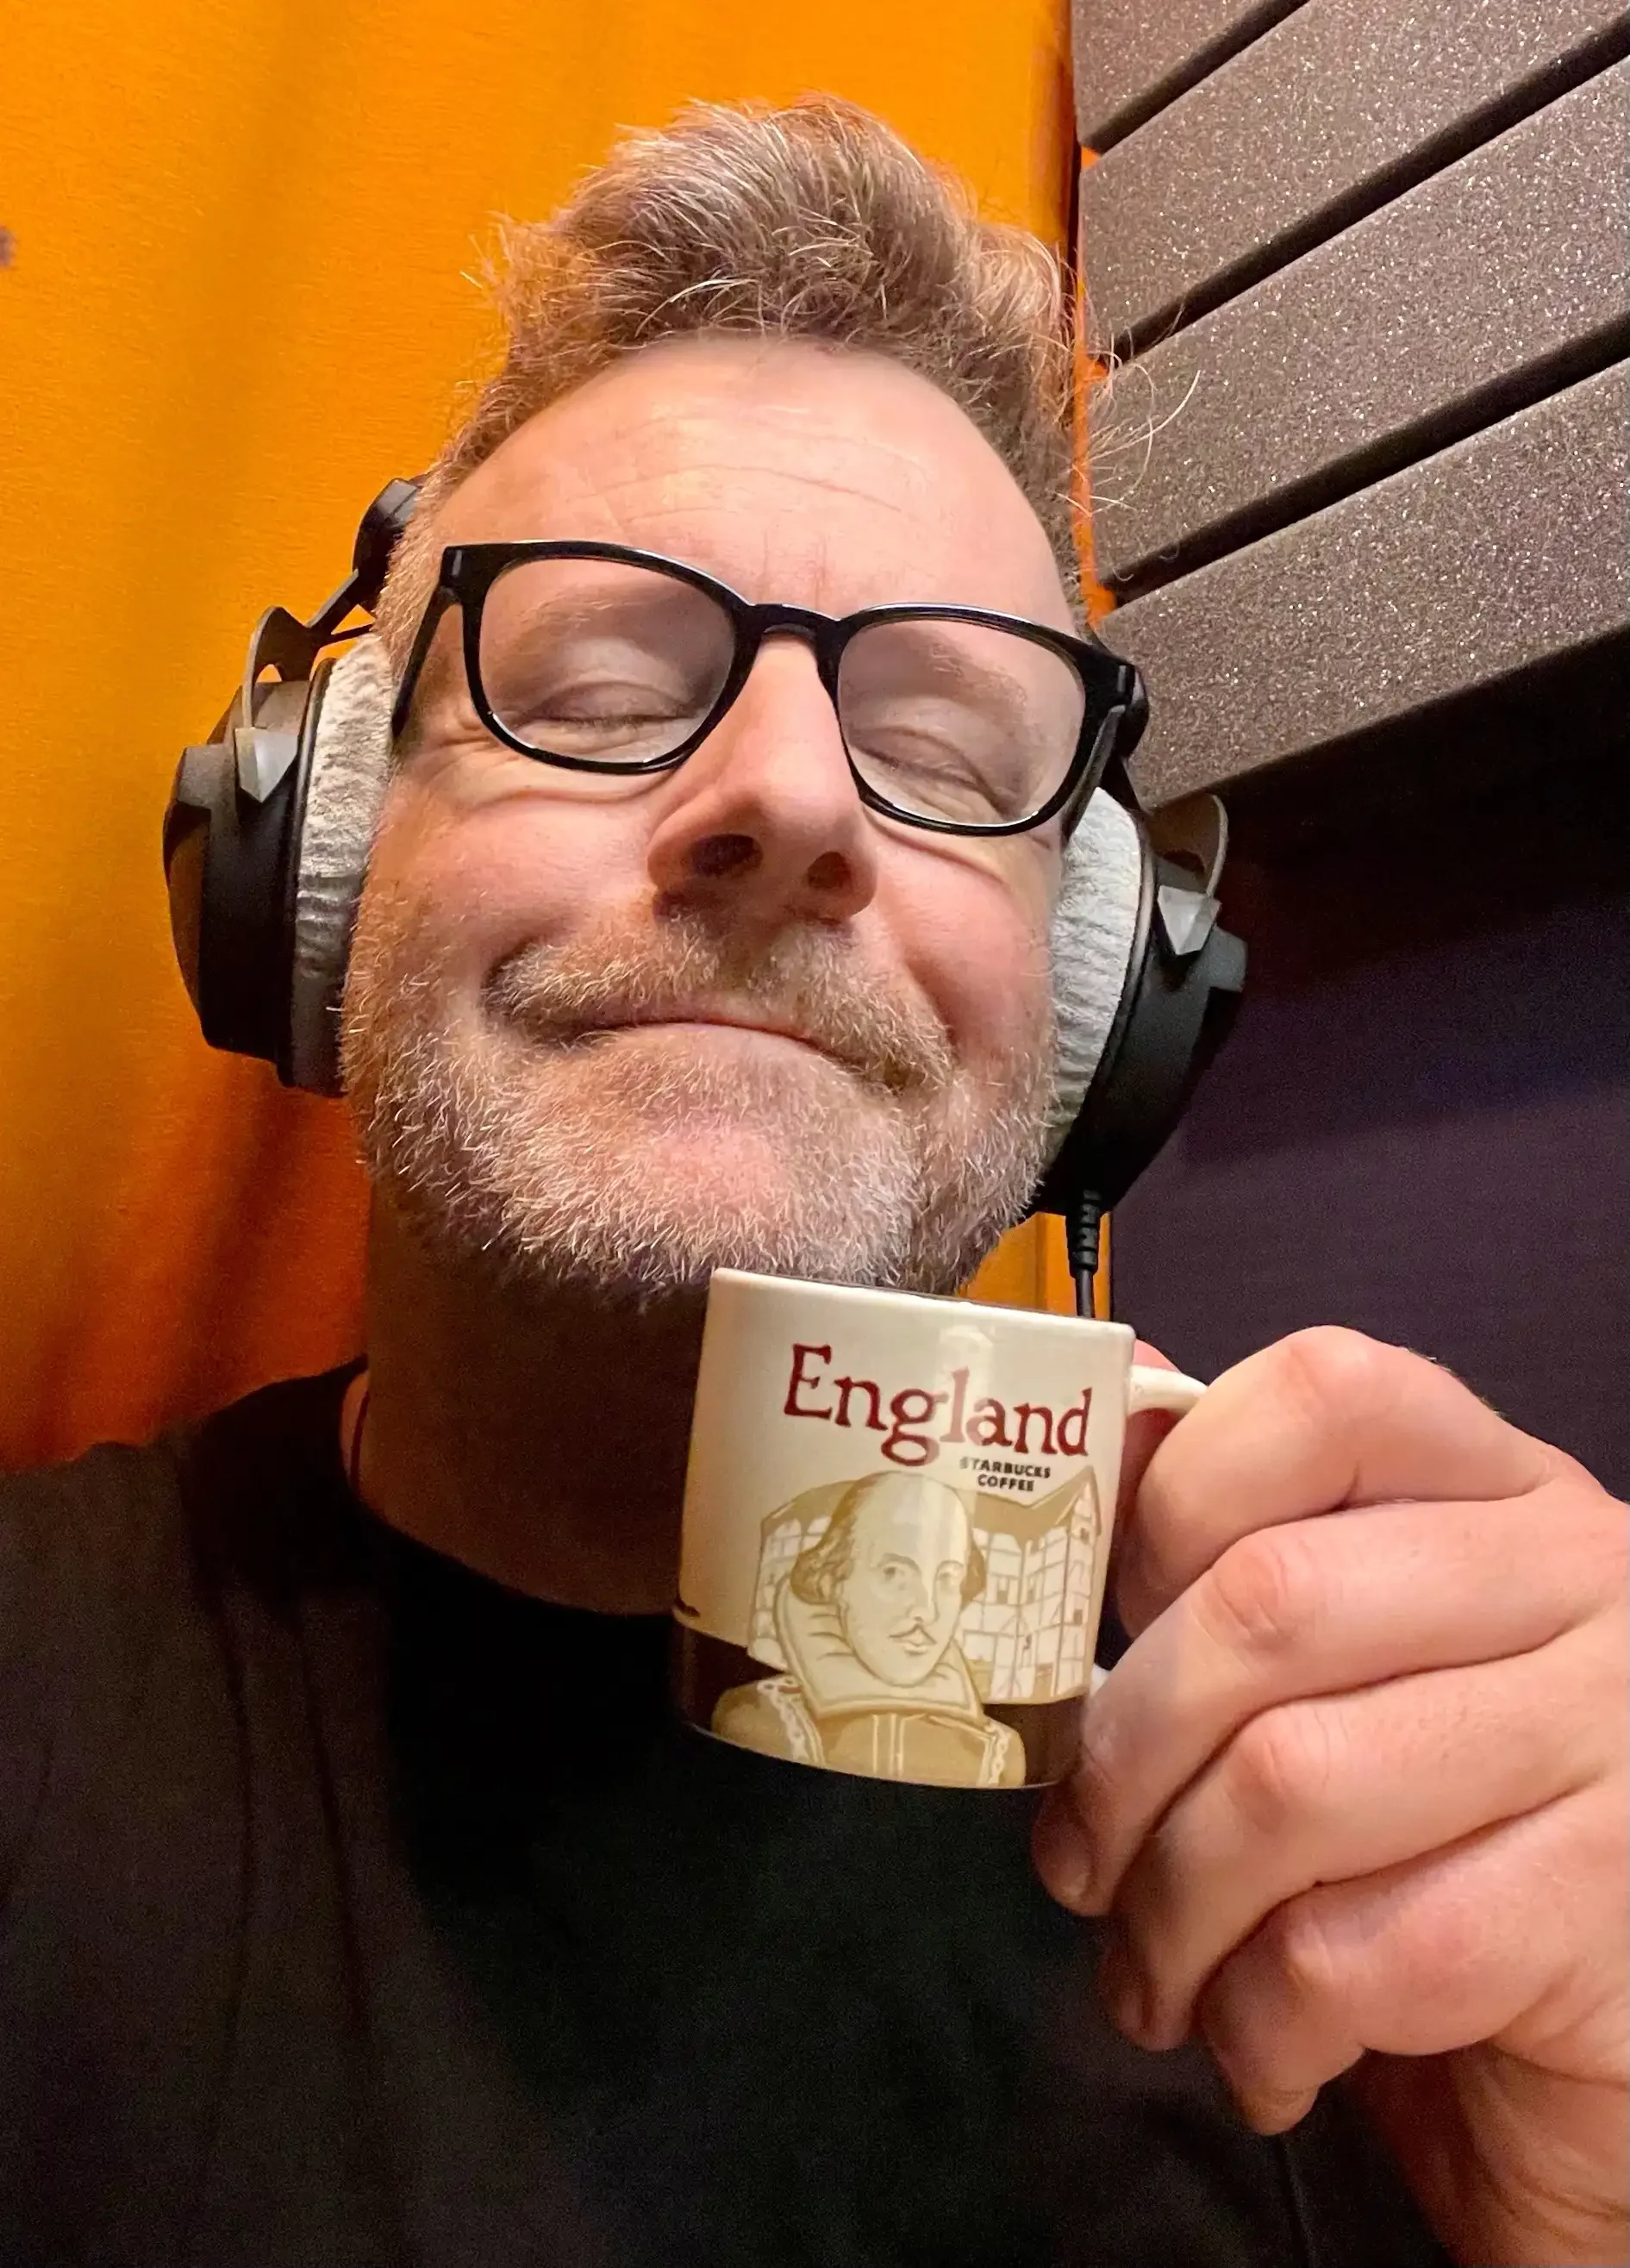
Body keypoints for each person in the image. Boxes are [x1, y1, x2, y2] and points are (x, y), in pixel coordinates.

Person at [1, 97, 1624, 2268]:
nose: (783, 795)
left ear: (1083, 995)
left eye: (947, 748)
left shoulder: (1377, 1884)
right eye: (587, 678)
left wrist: (1577, 2204)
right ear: (319, 856)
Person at [713, 1471, 1026, 1786]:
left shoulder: (999, 1755)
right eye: (893, 1573)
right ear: (835, 1580)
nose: (926, 1610)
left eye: (948, 1578)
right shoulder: (759, 1718)